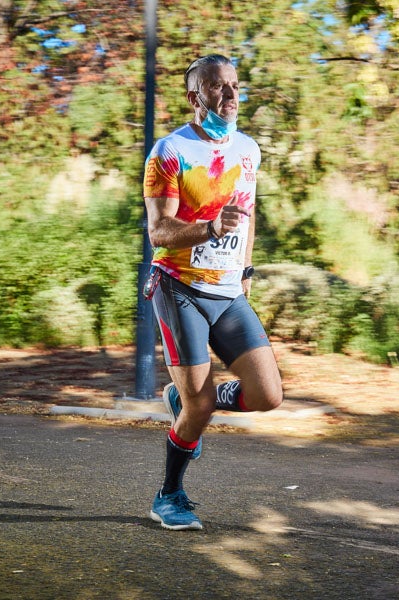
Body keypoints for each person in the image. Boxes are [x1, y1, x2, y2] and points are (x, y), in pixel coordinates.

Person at [142, 54, 284, 530]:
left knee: (268, 395)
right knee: (200, 406)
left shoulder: (248, 149)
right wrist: (206, 229)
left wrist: (245, 268)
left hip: (228, 291)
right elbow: (159, 232)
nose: (229, 95)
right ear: (194, 96)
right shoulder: (169, 152)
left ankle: (188, 402)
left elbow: (248, 210)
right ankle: (169, 495)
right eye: (217, 87)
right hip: (178, 286)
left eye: (234, 86)